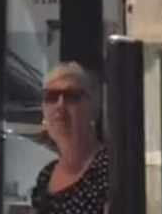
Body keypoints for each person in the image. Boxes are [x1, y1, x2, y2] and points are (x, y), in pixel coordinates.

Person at [31, 62, 108, 213]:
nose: (60, 105)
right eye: (51, 96)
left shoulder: (110, 170)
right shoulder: (46, 175)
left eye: (71, 96)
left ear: (93, 108)